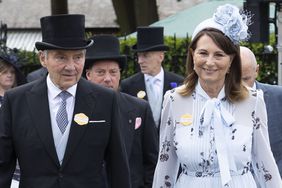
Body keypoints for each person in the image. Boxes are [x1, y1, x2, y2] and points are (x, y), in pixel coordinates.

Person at [153, 4, 282, 188]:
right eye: (203, 53)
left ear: (231, 62)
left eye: (219, 55)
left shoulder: (253, 101)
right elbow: (165, 165)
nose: (210, 62)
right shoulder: (173, 100)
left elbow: (265, 164)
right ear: (192, 55)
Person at [0, 14, 131, 188]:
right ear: (43, 58)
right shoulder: (16, 100)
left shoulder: (106, 100)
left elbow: (118, 167)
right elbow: (2, 165)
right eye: (61, 57)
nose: (71, 67)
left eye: (78, 57)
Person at [84, 34, 158, 188]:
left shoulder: (139, 108)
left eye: (113, 72)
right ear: (88, 75)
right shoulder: (76, 109)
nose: (108, 78)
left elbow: (151, 161)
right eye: (100, 72)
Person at [120, 26, 184, 127]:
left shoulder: (179, 83)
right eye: (138, 56)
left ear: (161, 57)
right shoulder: (128, 85)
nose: (140, 61)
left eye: (145, 56)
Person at [240, 46, 282, 176]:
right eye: (235, 79)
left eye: (246, 79)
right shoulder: (218, 102)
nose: (241, 86)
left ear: (256, 70)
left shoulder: (278, 97)